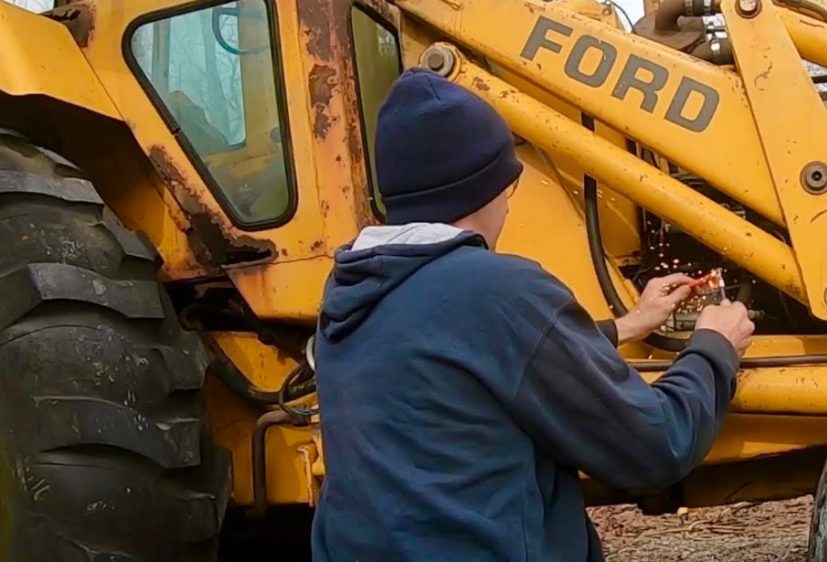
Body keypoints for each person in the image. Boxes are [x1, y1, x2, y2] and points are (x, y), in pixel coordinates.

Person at [310, 68, 755, 562]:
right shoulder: (495, 289)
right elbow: (656, 446)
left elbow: (469, 364)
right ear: (488, 188)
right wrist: (715, 346)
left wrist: (628, 325)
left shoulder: (349, 292)